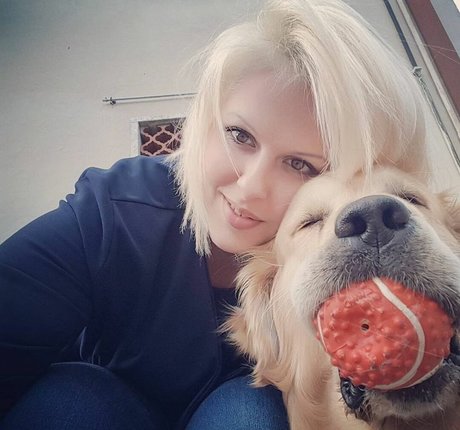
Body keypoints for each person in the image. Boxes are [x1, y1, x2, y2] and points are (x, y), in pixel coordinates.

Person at [0, 0, 430, 429]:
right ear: (204, 122)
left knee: (251, 411)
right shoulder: (115, 211)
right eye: (240, 135)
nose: (251, 186)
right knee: (71, 398)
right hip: (104, 409)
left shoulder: (360, 244)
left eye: (301, 165)